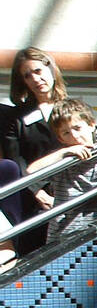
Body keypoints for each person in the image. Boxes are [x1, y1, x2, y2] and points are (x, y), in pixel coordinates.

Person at [25, 98, 97, 237]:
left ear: (91, 125)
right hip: (59, 235)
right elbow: (31, 171)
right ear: (60, 139)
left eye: (77, 128)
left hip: (93, 235)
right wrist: (63, 153)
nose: (75, 136)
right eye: (66, 133)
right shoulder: (62, 162)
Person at [1, 47, 69, 254]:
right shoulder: (17, 116)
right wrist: (37, 191)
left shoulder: (72, 109)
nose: (35, 79)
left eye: (38, 71)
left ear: (50, 69)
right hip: (34, 195)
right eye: (27, 76)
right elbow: (16, 159)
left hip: (70, 189)